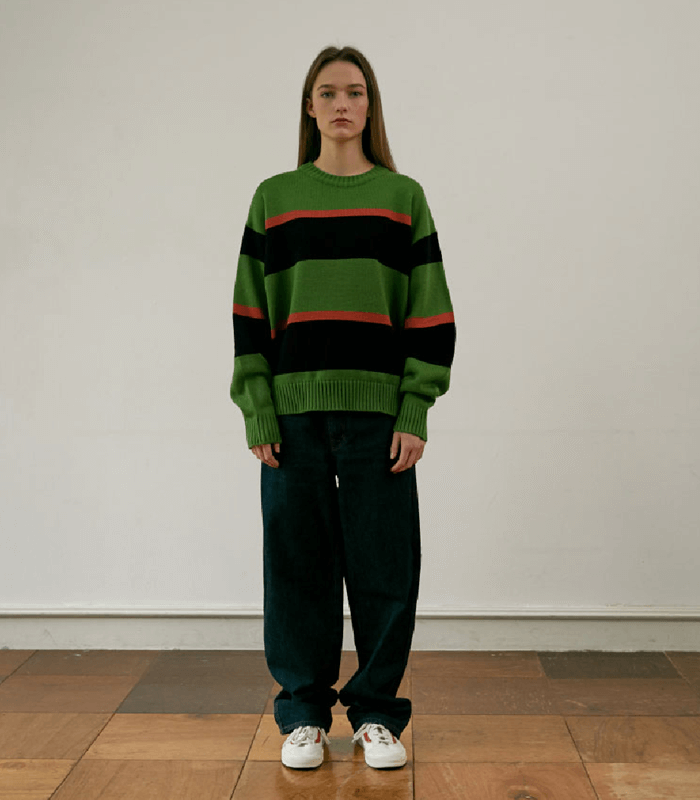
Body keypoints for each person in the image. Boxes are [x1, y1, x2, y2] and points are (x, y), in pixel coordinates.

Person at [230, 45, 456, 770]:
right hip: (292, 417)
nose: (341, 104)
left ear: (370, 105)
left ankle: (377, 715)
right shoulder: (275, 197)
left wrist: (414, 409)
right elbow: (249, 314)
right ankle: (302, 713)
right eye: (327, 92)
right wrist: (258, 409)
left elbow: (430, 312)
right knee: (297, 566)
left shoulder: (402, 197)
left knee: (386, 566)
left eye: (354, 92)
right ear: (310, 106)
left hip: (379, 418)